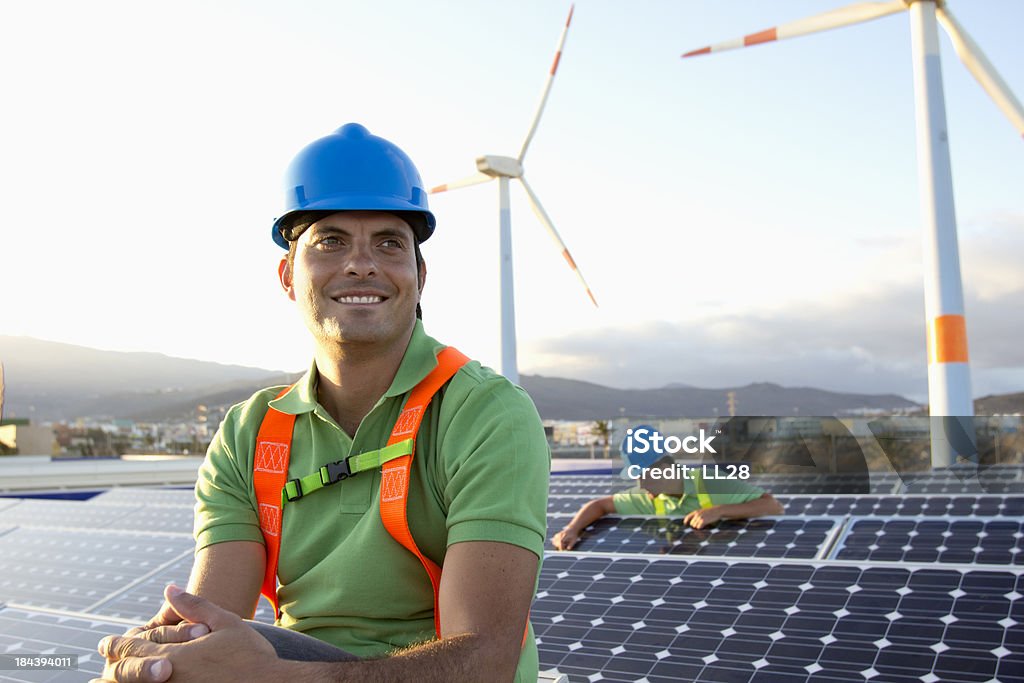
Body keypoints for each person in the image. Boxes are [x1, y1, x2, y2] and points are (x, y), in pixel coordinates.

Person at [93, 123, 550, 683]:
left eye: (389, 242)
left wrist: (274, 678)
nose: (362, 263)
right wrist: (164, 657)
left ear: (419, 275)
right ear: (288, 275)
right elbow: (207, 622)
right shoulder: (249, 432)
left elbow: (482, 663)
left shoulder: (486, 414)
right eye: (330, 241)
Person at [551, 425, 782, 551]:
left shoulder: (709, 481)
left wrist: (719, 510)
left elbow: (772, 506)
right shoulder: (647, 496)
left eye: (644, 475)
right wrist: (572, 529)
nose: (640, 484)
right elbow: (599, 505)